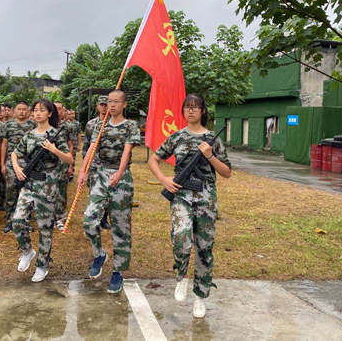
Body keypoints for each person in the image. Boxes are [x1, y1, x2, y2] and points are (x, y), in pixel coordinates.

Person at [148, 94, 232, 319]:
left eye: (196, 107)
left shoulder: (213, 139)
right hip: (181, 194)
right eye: (187, 108)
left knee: (204, 248)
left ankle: (200, 297)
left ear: (203, 111)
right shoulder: (177, 137)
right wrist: (164, 179)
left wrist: (210, 155)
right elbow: (153, 159)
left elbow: (227, 172)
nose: (191, 111)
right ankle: (182, 276)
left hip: (206, 197)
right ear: (183, 112)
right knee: (181, 238)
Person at [77, 90, 140, 294]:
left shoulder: (130, 125)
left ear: (124, 104)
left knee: (120, 227)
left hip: (121, 178)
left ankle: (118, 272)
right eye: (109, 102)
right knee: (89, 219)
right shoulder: (100, 125)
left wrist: (120, 173)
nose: (111, 105)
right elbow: (92, 148)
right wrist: (82, 170)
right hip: (101, 174)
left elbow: (127, 151)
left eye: (116, 102)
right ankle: (99, 254)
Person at [11, 99, 73, 282]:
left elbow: (69, 159)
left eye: (42, 110)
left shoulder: (55, 134)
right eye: (35, 110)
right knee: (17, 220)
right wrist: (17, 168)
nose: (37, 113)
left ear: (50, 113)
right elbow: (15, 153)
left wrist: (54, 150)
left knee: (45, 227)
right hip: (29, 182)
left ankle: (42, 265)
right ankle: (27, 251)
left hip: (48, 184)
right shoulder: (29, 135)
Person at [0, 101, 35, 234]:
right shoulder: (8, 125)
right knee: (11, 191)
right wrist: (2, 163)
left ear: (28, 111)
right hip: (11, 163)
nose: (21, 112)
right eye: (19, 109)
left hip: (28, 164)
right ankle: (10, 220)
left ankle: (24, 220)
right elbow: (4, 145)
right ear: (14, 111)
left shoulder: (33, 125)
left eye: (24, 109)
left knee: (26, 193)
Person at [83, 96, 110, 229]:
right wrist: (85, 163)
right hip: (94, 163)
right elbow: (86, 144)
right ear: (98, 107)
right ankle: (94, 217)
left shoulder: (113, 122)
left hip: (108, 163)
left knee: (108, 191)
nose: (104, 107)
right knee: (93, 190)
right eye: (102, 105)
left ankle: (104, 218)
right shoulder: (90, 124)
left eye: (106, 104)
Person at [53, 102, 74, 230]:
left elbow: (70, 145)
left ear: (63, 111)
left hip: (62, 163)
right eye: (54, 108)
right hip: (48, 164)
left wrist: (70, 165)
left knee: (61, 191)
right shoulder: (46, 124)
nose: (57, 111)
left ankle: (60, 217)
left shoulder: (67, 127)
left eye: (59, 108)